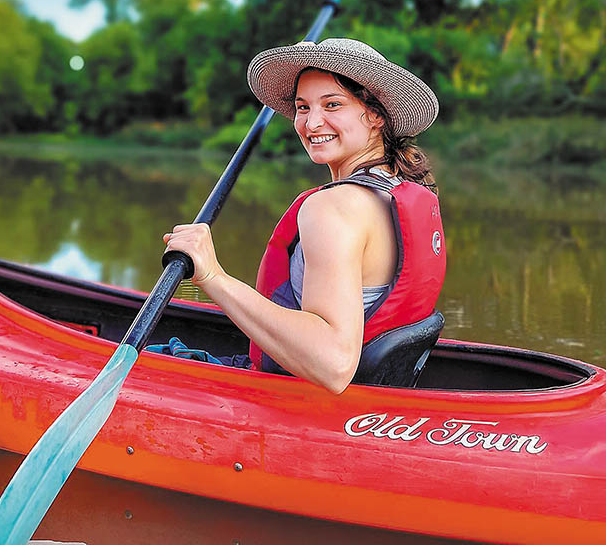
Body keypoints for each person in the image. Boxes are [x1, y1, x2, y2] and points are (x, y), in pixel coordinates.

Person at [162, 38, 445, 393]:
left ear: (375, 115)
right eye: (303, 107)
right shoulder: (394, 187)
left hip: (296, 399)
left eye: (332, 104)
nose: (312, 123)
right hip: (370, 398)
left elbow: (333, 365)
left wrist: (213, 276)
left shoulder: (333, 209)